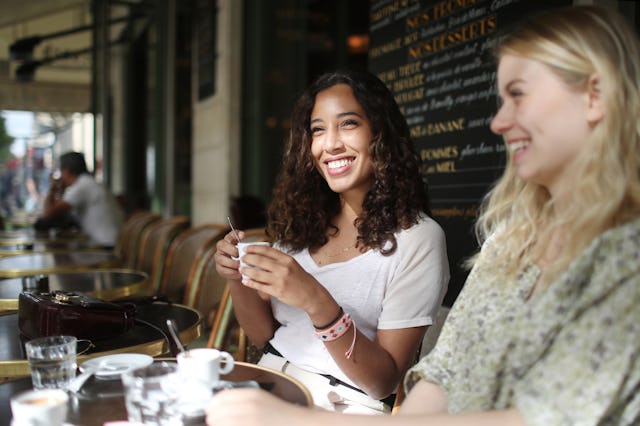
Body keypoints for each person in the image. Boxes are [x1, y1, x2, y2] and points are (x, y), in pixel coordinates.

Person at [205, 5, 640, 426]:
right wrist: (236, 277)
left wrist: (301, 413)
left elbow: (547, 416)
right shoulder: (508, 242)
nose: (498, 122)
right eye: (317, 130)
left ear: (595, 96)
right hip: (273, 383)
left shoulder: (625, 255)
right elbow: (440, 379)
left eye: (518, 95)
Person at [213, 69, 450, 413]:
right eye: (318, 130)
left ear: (380, 133)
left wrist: (316, 301)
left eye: (349, 124)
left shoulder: (418, 238)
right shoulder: (305, 223)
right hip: (266, 385)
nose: (330, 144)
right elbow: (264, 335)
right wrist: (237, 277)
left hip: (343, 407)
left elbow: (382, 381)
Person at [39, 151, 123, 249]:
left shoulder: (82, 186)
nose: (61, 176)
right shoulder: (86, 182)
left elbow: (48, 214)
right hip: (110, 243)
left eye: (61, 171)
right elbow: (57, 211)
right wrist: (60, 190)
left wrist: (53, 188)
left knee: (62, 256)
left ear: (67, 170)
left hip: (107, 247)